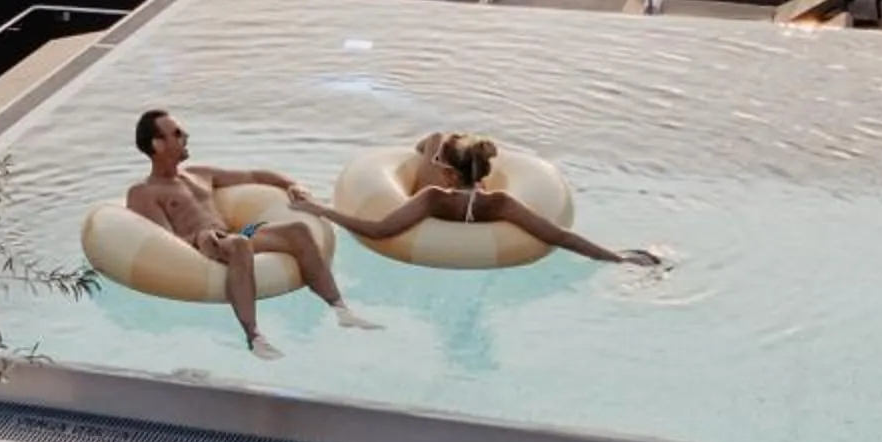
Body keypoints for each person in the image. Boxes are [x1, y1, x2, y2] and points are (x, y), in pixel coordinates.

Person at [125, 109, 381, 359]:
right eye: (177, 133)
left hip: (232, 234)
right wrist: (197, 239)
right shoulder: (144, 192)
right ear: (157, 144)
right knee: (239, 244)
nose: (186, 136)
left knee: (298, 231)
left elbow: (255, 175)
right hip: (203, 244)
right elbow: (163, 243)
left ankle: (341, 310)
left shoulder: (199, 175)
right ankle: (254, 337)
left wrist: (291, 185)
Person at [289, 132, 667, 266]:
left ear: (450, 176)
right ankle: (440, 143)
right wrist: (617, 258)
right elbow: (558, 236)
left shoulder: (433, 198)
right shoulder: (499, 203)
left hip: (439, 208)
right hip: (476, 199)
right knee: (440, 140)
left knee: (435, 138)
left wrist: (318, 208)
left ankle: (434, 142)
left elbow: (377, 229)